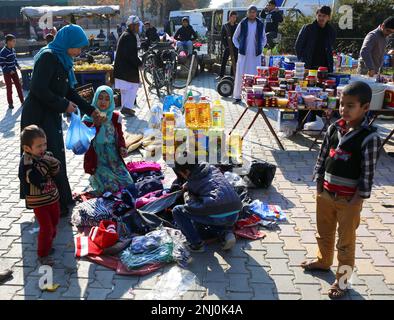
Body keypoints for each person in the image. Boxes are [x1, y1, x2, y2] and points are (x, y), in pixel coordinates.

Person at [301, 81, 382, 299]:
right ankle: (323, 261)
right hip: (325, 194)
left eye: (350, 105)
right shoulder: (334, 128)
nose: (344, 109)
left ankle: (343, 281)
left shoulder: (370, 138)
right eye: (341, 104)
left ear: (365, 108)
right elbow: (322, 156)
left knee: (345, 244)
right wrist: (318, 183)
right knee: (324, 233)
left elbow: (368, 174)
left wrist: (357, 200)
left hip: (349, 200)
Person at [21, 24, 104, 217]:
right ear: (68, 43)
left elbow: (68, 91)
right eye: (78, 47)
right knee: (41, 157)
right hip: (37, 116)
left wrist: (90, 110)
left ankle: (61, 198)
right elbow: (38, 88)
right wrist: (62, 105)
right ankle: (45, 203)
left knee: (54, 155)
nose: (80, 51)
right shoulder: (48, 57)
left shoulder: (63, 59)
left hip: (50, 112)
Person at [171, 155, 242, 252]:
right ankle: (225, 233)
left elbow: (191, 206)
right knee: (212, 210)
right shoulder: (212, 168)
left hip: (218, 214)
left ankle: (196, 245)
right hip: (235, 212)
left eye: (181, 174)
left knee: (178, 210)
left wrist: (187, 196)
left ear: (186, 172)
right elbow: (206, 183)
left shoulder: (193, 182)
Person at [19, 125, 62, 266]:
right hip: (39, 201)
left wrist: (54, 164)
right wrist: (45, 163)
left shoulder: (46, 155)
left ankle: (48, 242)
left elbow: (56, 171)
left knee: (55, 222)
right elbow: (33, 178)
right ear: (27, 148)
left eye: (44, 144)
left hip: (52, 196)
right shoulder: (26, 161)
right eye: (38, 146)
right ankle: (42, 254)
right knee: (46, 227)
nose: (43, 148)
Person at [82, 86, 134, 195]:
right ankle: (96, 178)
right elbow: (86, 139)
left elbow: (119, 135)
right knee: (111, 187)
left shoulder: (115, 117)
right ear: (95, 99)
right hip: (98, 158)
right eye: (100, 98)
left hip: (114, 157)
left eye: (107, 99)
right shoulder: (88, 118)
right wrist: (96, 124)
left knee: (128, 184)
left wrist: (122, 147)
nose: (103, 102)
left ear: (111, 101)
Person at [232, 5, 266, 103]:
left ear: (256, 13)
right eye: (250, 12)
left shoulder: (260, 24)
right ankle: (238, 96)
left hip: (256, 54)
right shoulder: (242, 23)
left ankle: (255, 97)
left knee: (255, 75)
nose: (252, 14)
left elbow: (264, 39)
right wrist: (239, 47)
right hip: (243, 54)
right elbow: (235, 37)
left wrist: (260, 47)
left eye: (254, 12)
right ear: (247, 13)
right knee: (241, 74)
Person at [114, 15, 142, 117]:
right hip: (126, 68)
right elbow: (131, 55)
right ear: (132, 26)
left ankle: (125, 107)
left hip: (123, 68)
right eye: (137, 25)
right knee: (133, 86)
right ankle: (127, 107)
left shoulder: (127, 35)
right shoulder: (129, 37)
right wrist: (139, 63)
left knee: (125, 89)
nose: (139, 27)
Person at [295, 5, 336, 72]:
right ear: (316, 15)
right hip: (309, 66)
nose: (321, 18)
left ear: (328, 17)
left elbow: (330, 47)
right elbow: (298, 46)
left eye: (324, 16)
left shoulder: (331, 31)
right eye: (319, 15)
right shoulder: (308, 28)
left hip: (324, 67)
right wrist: (302, 61)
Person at [0, 34, 24, 109]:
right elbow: (2, 64)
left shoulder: (13, 50)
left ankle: (22, 101)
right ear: (8, 42)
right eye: (13, 41)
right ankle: (10, 103)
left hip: (14, 71)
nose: (14, 43)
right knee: (9, 88)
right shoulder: (3, 52)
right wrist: (9, 70)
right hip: (7, 73)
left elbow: (15, 60)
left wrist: (18, 65)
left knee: (18, 86)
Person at [217, 11, 239, 80]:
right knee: (224, 61)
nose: (234, 19)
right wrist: (226, 45)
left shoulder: (237, 26)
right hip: (227, 46)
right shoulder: (225, 26)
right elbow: (222, 37)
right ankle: (221, 75)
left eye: (235, 17)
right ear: (230, 17)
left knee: (235, 61)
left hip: (235, 46)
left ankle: (233, 75)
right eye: (233, 17)